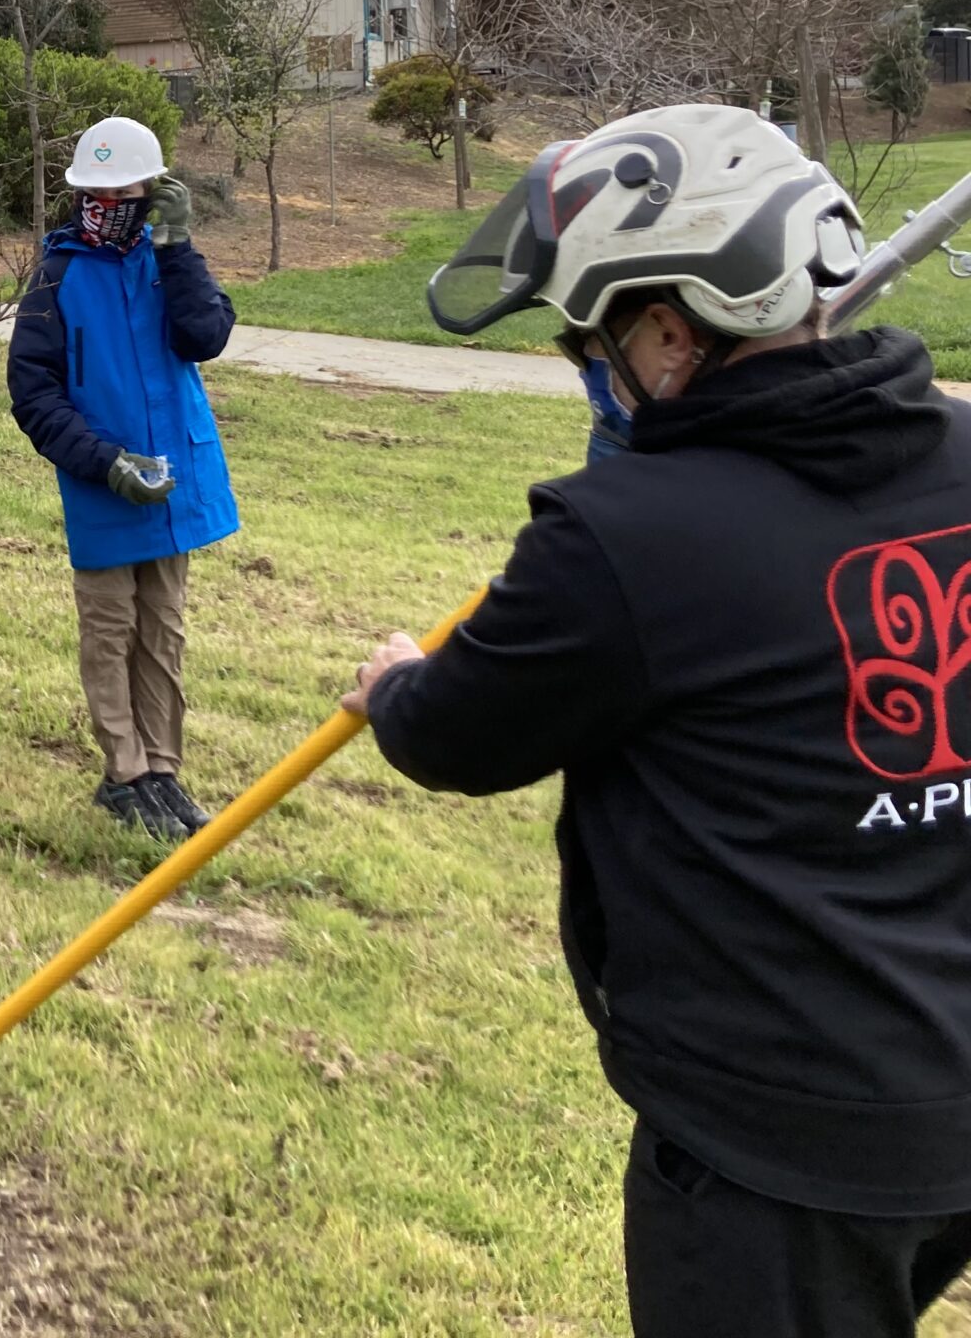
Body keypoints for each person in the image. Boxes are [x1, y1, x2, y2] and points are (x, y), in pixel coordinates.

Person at [347, 103, 971, 1337]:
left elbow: (458, 738)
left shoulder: (616, 539)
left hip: (770, 1135)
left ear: (670, 331)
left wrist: (395, 685)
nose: (588, 365)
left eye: (591, 338)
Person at [6, 115, 237, 842]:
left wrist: (178, 249)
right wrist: (102, 460)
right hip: (102, 482)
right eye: (94, 190)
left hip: (174, 480)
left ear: (154, 190)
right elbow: (33, 391)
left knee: (162, 631)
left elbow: (206, 335)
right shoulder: (58, 272)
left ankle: (163, 769)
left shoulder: (167, 261)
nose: (108, 202)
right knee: (110, 630)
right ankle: (125, 773)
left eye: (124, 188)